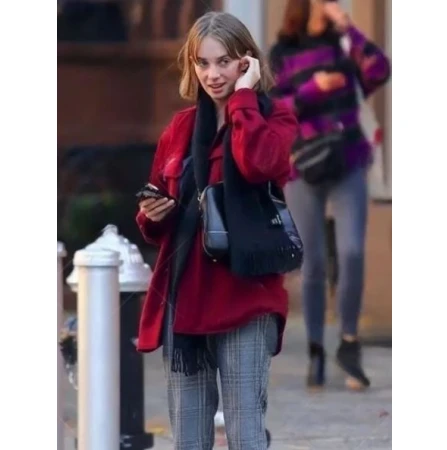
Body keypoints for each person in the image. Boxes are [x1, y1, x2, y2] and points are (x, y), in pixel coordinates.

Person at [136, 11, 298, 450]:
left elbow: (258, 164)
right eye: (203, 63)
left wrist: (243, 99)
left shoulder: (275, 119)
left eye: (224, 62)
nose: (212, 74)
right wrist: (154, 212)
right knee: (188, 438)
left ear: (247, 61)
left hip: (246, 297)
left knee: (245, 433)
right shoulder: (180, 129)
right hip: (186, 299)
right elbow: (156, 221)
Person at [269, 0, 391, 390]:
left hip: (348, 160)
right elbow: (274, 108)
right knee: (314, 264)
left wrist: (348, 27)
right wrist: (313, 90)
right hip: (303, 166)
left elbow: (380, 69)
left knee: (352, 252)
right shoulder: (283, 51)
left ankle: (349, 345)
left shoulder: (344, 44)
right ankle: (317, 350)